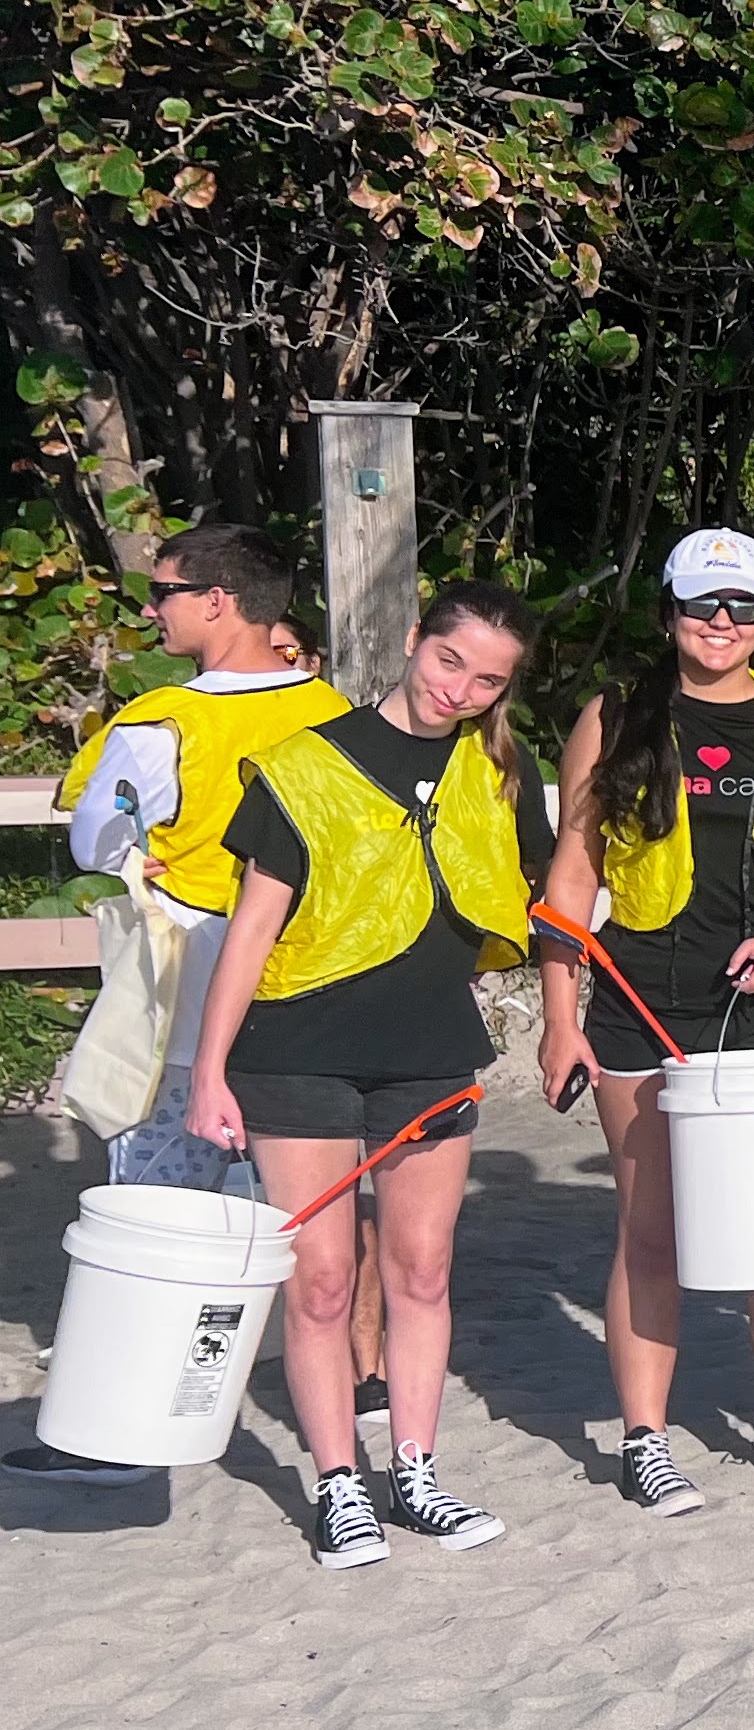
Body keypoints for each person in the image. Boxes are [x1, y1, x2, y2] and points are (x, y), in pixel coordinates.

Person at [185, 583, 550, 1570]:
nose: (458, 690)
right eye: (447, 661)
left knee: (422, 1272)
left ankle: (417, 1473)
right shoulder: (306, 768)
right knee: (322, 1283)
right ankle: (339, 1484)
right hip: (295, 1050)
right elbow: (249, 934)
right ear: (410, 642)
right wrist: (209, 1073)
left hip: (430, 1053)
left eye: (486, 679)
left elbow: (525, 898)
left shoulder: (493, 775)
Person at [539, 530, 754, 1513]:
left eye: (742, 608)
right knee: (651, 1232)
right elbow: (573, 874)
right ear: (671, 610)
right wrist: (560, 1019)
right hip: (641, 1003)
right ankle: (645, 1439)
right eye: (703, 605)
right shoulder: (615, 717)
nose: (721, 624)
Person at [57, 523, 348, 1189]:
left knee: (159, 1208)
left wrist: (133, 859)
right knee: (302, 1223)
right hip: (308, 987)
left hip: (191, 986)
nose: (150, 609)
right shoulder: (337, 712)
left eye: (164, 592)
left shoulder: (161, 723)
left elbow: (94, 842)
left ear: (216, 600)